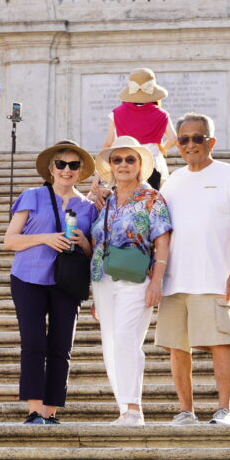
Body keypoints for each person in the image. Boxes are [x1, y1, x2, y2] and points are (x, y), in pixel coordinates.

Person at [156, 113, 230, 426]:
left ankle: (223, 410)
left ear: (210, 141)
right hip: (175, 279)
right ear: (177, 145)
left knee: (221, 343)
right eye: (183, 139)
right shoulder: (171, 181)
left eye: (197, 138)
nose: (190, 145)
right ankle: (186, 410)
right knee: (177, 348)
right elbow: (161, 229)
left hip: (215, 276)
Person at [3, 140, 98, 425]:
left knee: (61, 346)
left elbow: (93, 252)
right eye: (61, 164)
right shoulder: (32, 196)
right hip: (28, 277)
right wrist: (45, 238)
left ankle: (51, 412)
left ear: (80, 171)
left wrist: (83, 243)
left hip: (66, 281)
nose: (66, 170)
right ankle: (34, 410)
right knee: (33, 343)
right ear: (51, 169)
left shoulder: (88, 207)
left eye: (73, 165)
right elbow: (10, 240)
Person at [90, 136, 173, 426]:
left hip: (138, 279)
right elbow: (96, 241)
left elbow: (163, 241)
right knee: (111, 344)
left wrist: (157, 282)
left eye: (130, 159)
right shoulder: (106, 200)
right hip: (103, 282)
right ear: (110, 167)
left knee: (127, 339)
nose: (123, 165)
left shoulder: (152, 198)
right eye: (117, 160)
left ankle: (134, 408)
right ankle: (124, 408)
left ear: (140, 165)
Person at [102, 68, 177, 190]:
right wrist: (163, 149)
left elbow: (108, 143)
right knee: (150, 203)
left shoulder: (116, 113)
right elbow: (173, 139)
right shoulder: (162, 114)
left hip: (124, 165)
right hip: (151, 165)